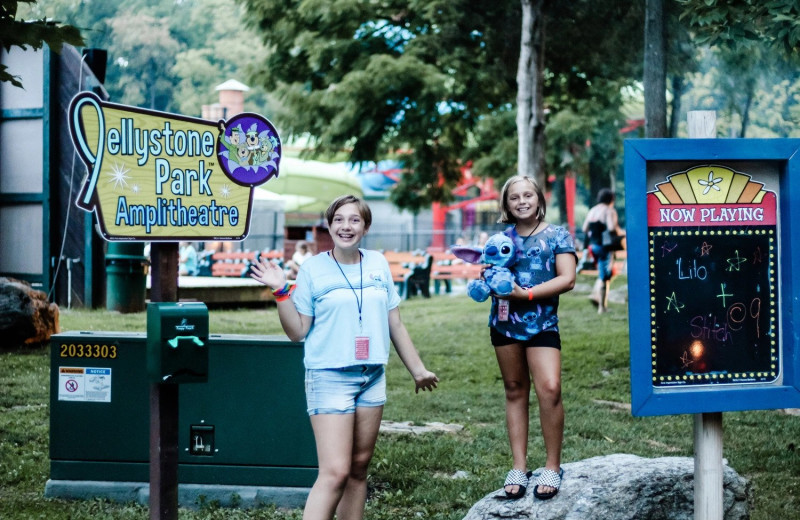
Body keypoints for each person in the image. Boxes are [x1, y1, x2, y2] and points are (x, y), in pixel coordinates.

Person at [249, 194, 439, 520]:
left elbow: (395, 322)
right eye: (338, 219)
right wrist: (281, 292)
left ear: (365, 226)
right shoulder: (313, 269)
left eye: (354, 219)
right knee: (334, 472)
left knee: (358, 469)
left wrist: (418, 370)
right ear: (329, 224)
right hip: (329, 377)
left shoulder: (378, 263)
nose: (346, 226)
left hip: (372, 376)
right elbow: (297, 331)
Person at [488, 175, 576, 501]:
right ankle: (519, 466)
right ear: (507, 204)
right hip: (504, 324)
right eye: (515, 198)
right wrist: (489, 278)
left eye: (528, 195)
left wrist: (525, 295)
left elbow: (567, 279)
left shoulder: (557, 236)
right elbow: (491, 274)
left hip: (542, 325)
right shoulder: (500, 238)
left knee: (550, 389)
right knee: (514, 390)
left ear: (539, 198)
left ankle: (552, 465)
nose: (522, 201)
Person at [581, 188, 625, 314]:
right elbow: (612, 228)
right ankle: (602, 306)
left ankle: (597, 296)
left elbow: (585, 228)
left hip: (593, 246)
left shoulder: (593, 210)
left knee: (605, 273)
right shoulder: (609, 210)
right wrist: (622, 232)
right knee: (606, 276)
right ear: (611, 199)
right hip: (605, 246)